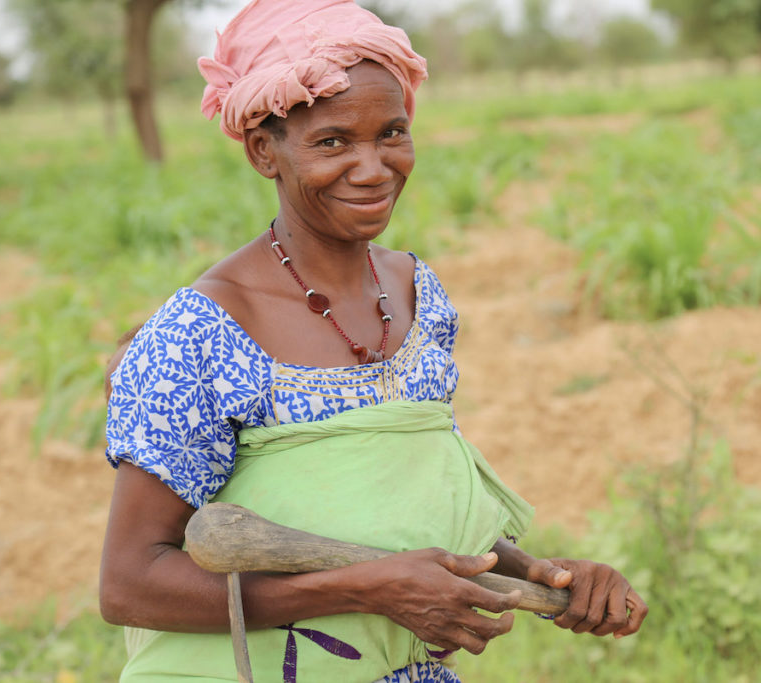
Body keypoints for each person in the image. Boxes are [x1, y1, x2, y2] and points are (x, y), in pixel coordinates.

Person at [99, 1, 647, 681]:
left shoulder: (420, 295)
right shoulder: (201, 333)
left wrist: (544, 573)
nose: (373, 167)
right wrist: (367, 587)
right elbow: (129, 582)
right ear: (263, 150)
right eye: (332, 142)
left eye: (392, 133)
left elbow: (398, 512)